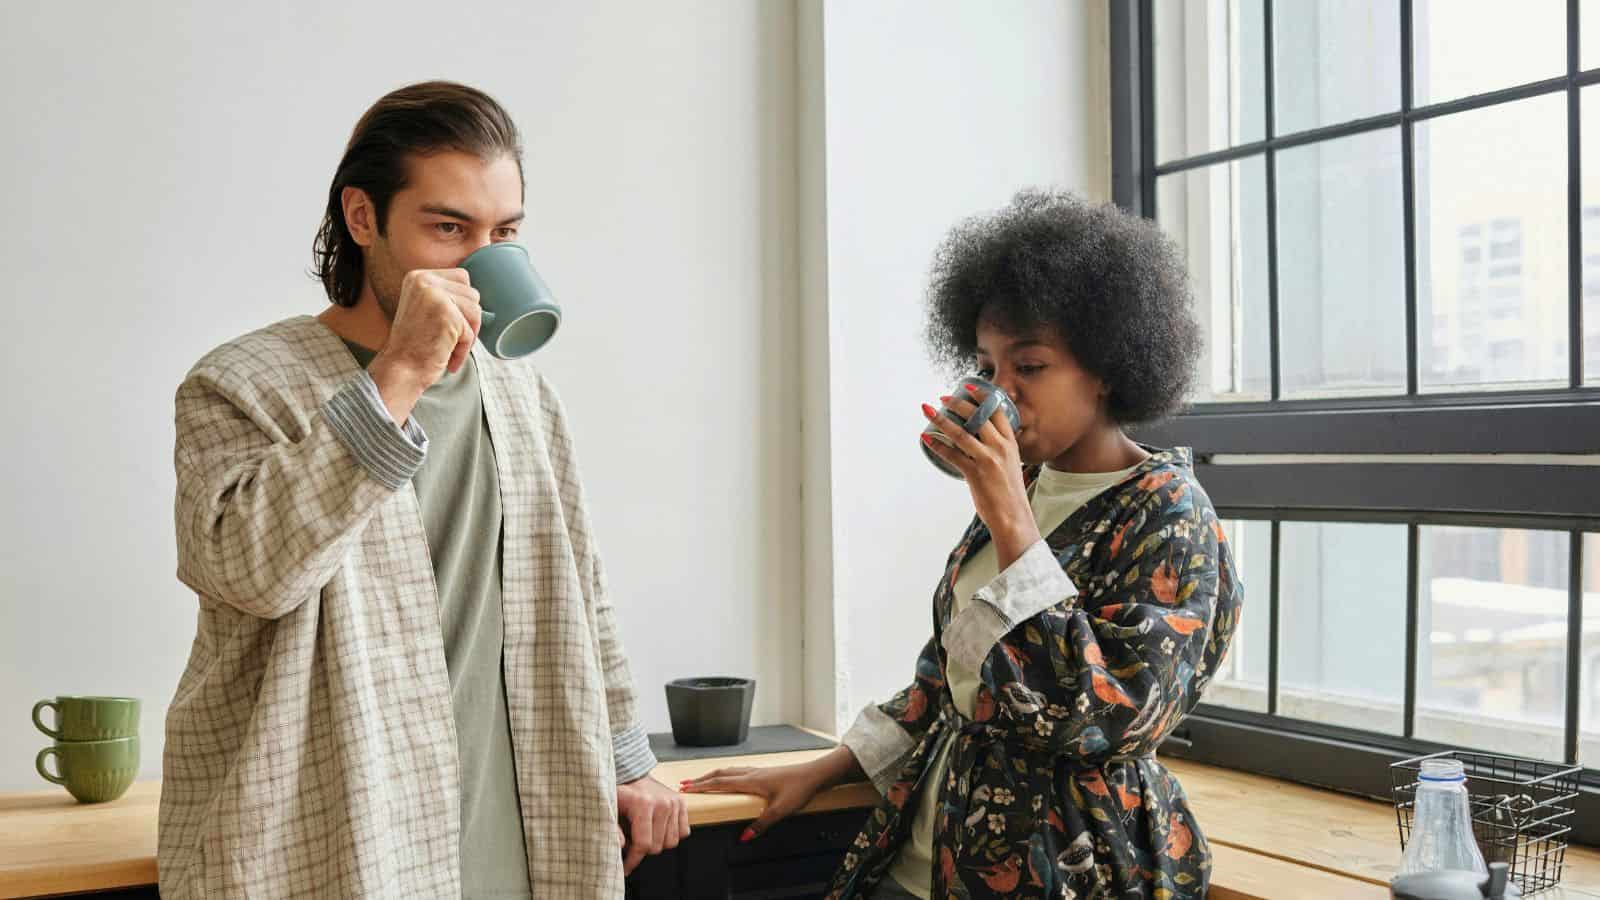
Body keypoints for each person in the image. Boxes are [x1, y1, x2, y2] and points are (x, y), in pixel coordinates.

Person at [160, 81, 685, 899]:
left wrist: (626, 759)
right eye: (448, 228)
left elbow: (579, 584)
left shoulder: (519, 393)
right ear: (363, 217)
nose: (479, 259)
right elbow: (250, 575)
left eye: (502, 232)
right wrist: (399, 373)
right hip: (332, 837)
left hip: (517, 838)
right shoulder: (239, 383)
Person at [683, 190, 1242, 899]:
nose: (1001, 390)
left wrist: (1011, 516)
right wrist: (828, 767)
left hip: (1063, 870)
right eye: (988, 367)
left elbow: (1115, 714)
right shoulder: (1026, 484)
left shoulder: (1167, 514)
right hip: (922, 861)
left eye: (1029, 367)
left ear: (1106, 366)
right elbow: (949, 678)